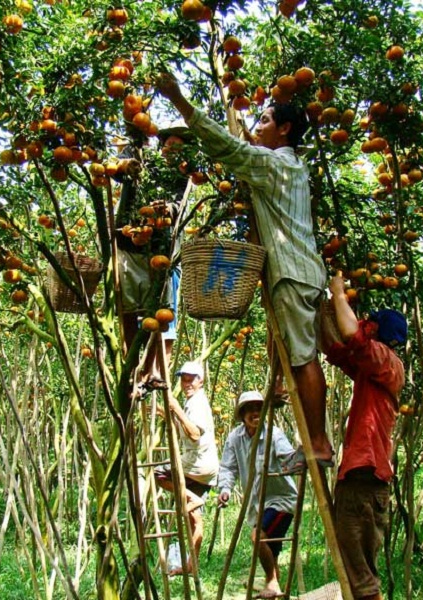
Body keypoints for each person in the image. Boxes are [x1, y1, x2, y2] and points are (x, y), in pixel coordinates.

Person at [156, 73, 333, 468]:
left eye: (266, 121)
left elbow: (226, 147)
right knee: (293, 352)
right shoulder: (292, 166)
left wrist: (180, 101)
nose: (259, 128)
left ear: (285, 129)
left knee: (303, 359)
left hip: (291, 273)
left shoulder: (274, 165)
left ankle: (318, 444)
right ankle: (309, 431)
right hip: (300, 272)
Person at [323, 274, 407, 600]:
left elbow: (350, 335)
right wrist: (327, 305)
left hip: (364, 480)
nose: (363, 326)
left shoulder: (388, 362)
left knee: (361, 579)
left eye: (370, 325)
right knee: (360, 574)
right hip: (363, 481)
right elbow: (337, 347)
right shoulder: (371, 371)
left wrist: (339, 293)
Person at [114, 124, 194, 389]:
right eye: (169, 145)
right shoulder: (142, 160)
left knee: (157, 313)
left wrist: (167, 210)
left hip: (159, 251)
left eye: (179, 148)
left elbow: (177, 207)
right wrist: (128, 164)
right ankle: (131, 359)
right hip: (129, 243)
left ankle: (150, 369)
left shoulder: (183, 177)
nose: (172, 151)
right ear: (160, 146)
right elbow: (117, 169)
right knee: (127, 306)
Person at [218, 391, 298, 599]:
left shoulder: (274, 433)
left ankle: (271, 582)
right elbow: (228, 467)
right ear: (242, 414)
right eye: (250, 409)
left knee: (258, 537)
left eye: (258, 409)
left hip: (280, 500)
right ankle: (275, 588)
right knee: (270, 550)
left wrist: (297, 461)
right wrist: (225, 490)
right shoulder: (235, 437)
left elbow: (287, 456)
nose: (255, 413)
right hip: (257, 504)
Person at [153, 360, 219, 575]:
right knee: (195, 519)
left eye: (191, 379)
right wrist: (168, 412)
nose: (187, 383)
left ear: (201, 381)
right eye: (184, 379)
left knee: (155, 473)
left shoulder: (197, 403)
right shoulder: (193, 402)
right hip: (206, 468)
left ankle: (191, 497)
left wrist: (176, 408)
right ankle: (191, 565)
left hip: (195, 465)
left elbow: (194, 433)